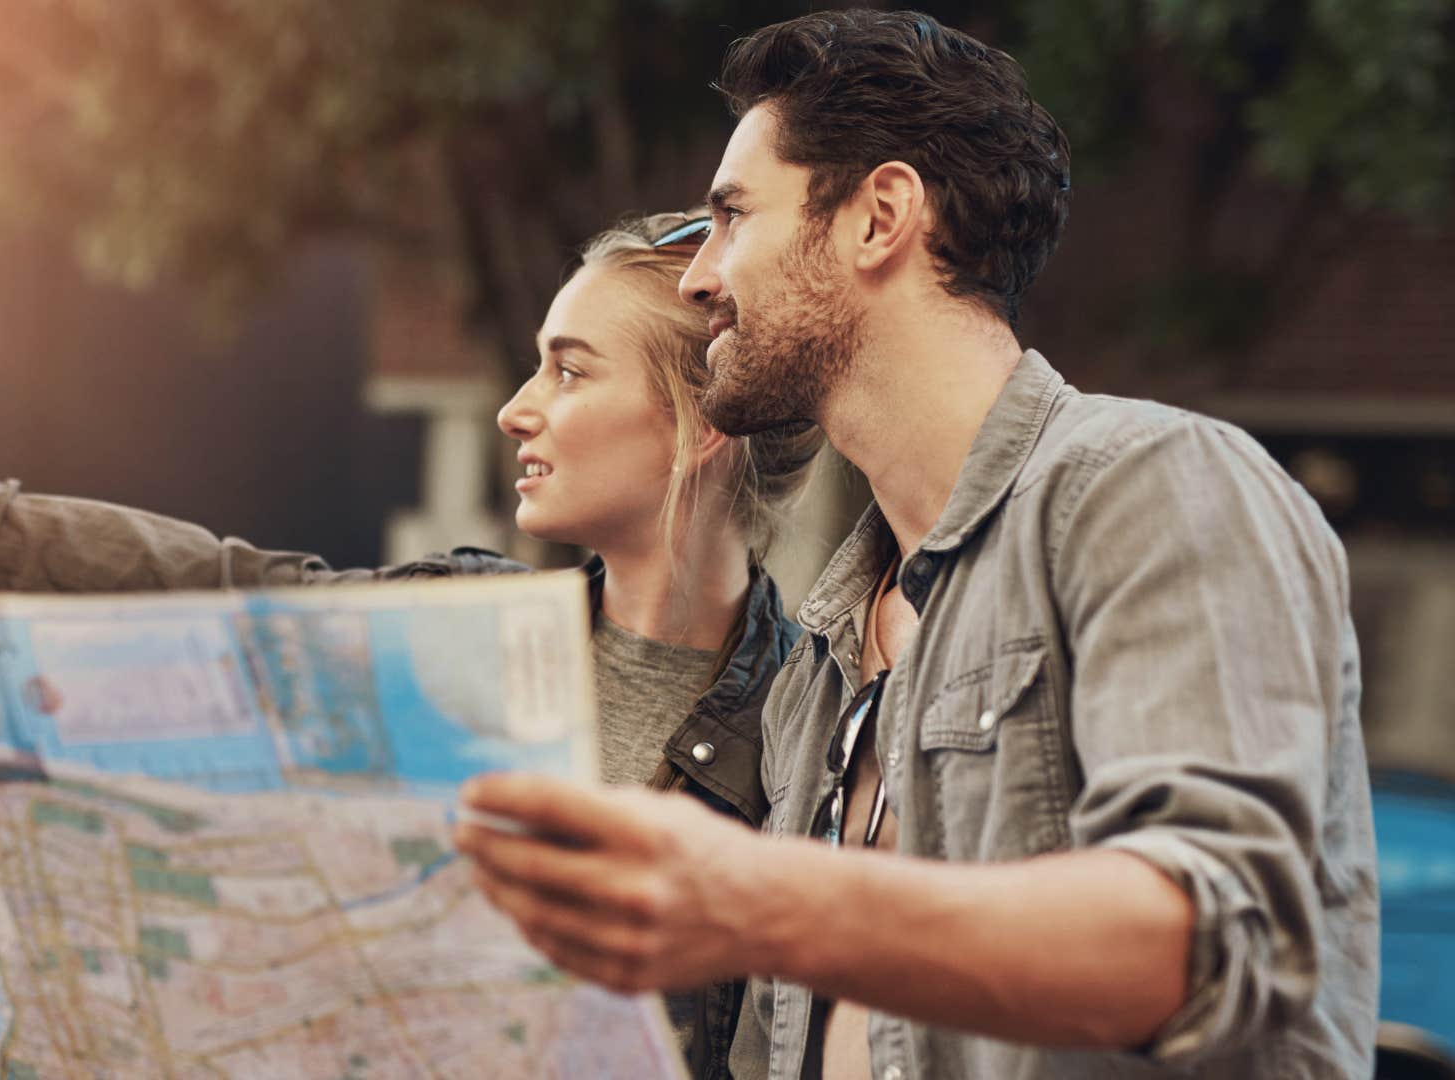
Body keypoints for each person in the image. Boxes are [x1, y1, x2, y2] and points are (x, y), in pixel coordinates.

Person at [0, 211, 824, 1078]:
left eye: (568, 369)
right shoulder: (458, 635)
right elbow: (184, 573)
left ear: (697, 424)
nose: (518, 406)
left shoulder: (816, 733)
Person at [454, 11, 1379, 1080]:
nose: (701, 275)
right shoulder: (821, 666)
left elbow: (1212, 946)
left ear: (879, 216)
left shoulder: (1149, 488)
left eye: (732, 216)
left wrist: (756, 896)